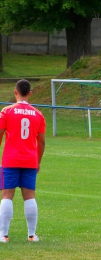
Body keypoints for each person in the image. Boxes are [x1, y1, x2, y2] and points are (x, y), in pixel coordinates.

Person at [0, 79, 46, 243]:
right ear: (30, 94)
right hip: (29, 160)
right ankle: (32, 235)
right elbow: (41, 142)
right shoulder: (38, 114)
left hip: (10, 160)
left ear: (15, 92)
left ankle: (3, 235)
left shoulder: (6, 111)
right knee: (29, 196)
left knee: (7, 195)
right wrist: (37, 161)